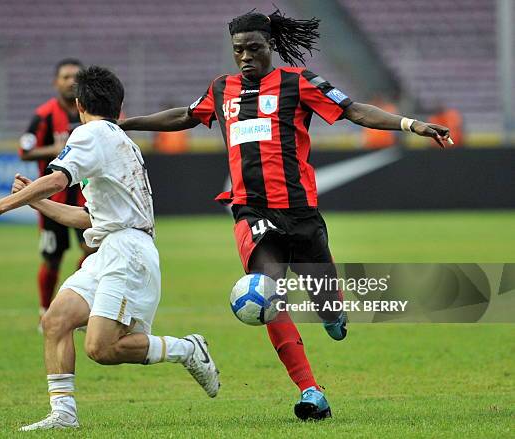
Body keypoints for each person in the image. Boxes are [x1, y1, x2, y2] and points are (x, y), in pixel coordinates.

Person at [118, 9, 452, 421]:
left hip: (302, 213)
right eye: (238, 49)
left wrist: (410, 124)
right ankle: (311, 391)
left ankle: (332, 312)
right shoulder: (222, 89)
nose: (245, 57)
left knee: (328, 305)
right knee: (265, 291)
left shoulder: (299, 83)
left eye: (254, 48)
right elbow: (186, 116)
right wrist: (126, 124)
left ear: (270, 46)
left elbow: (354, 111)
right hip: (252, 212)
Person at [0, 66, 220, 430]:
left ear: (79, 104)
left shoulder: (90, 133)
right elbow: (89, 218)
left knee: (102, 348)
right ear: (119, 106)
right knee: (56, 321)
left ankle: (187, 349)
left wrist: (0, 205)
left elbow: (57, 179)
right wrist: (35, 202)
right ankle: (63, 414)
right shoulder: (117, 140)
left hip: (127, 252)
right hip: (111, 246)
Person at [19, 58, 96, 323]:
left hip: (85, 201)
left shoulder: (92, 112)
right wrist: (56, 150)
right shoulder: (44, 115)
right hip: (52, 201)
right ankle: (44, 311)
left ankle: (74, 302)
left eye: (76, 76)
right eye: (65, 77)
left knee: (91, 253)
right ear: (56, 82)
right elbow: (25, 150)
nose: (71, 81)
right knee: (52, 259)